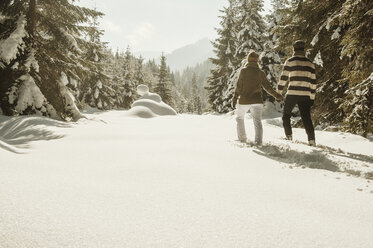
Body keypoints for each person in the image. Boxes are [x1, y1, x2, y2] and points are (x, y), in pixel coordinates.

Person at [232, 51, 283, 145]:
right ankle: (258, 141)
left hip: (244, 100)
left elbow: (239, 86)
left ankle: (242, 139)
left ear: (248, 60)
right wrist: (277, 95)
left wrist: (234, 98)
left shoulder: (243, 71)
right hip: (257, 101)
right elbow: (268, 87)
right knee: (257, 122)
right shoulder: (260, 73)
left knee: (239, 118)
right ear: (257, 61)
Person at [277, 40, 317, 146]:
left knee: (286, 115)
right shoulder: (310, 64)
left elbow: (283, 78)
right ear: (303, 50)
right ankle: (311, 140)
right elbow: (313, 83)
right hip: (305, 95)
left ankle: (289, 136)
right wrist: (312, 98)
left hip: (292, 93)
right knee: (306, 118)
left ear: (294, 49)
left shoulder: (290, 61)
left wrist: (278, 93)